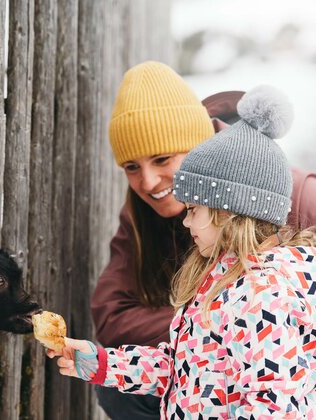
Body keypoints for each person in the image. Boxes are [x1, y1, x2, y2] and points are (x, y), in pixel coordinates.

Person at [49, 86, 316, 418]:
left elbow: (274, 405)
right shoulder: (221, 279)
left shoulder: (263, 299)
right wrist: (103, 363)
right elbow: (182, 367)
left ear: (226, 213)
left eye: (193, 210)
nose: (186, 222)